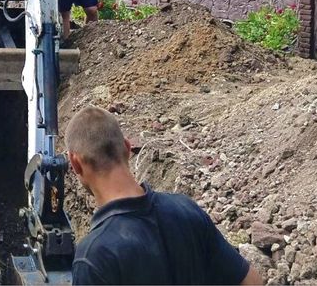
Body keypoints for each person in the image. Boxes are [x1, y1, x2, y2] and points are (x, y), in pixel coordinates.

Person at [66, 106, 263, 285]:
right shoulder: (186, 210)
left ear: (75, 163)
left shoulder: (94, 256)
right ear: (127, 148)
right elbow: (252, 282)